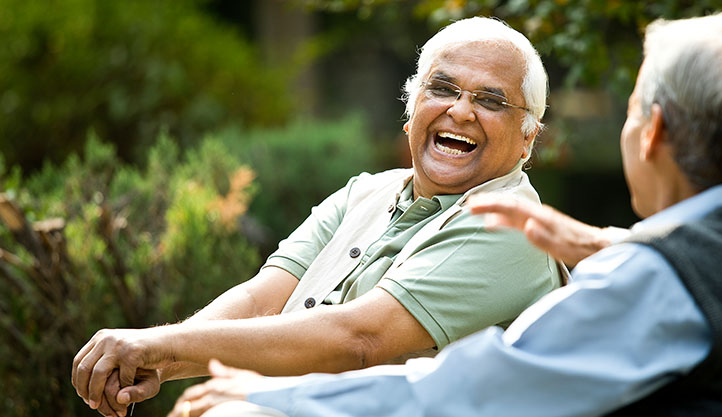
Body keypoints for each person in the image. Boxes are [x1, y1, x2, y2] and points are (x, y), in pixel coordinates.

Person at [167, 11, 722, 417]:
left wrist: (265, 396)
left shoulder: (651, 284)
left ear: (650, 131)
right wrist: (619, 244)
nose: (459, 111)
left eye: (629, 108)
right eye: (442, 89)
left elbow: (464, 391)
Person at [71, 17, 565, 417]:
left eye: (490, 100)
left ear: (528, 137)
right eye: (443, 88)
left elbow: (359, 340)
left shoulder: (512, 224)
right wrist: (165, 359)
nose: (460, 111)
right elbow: (263, 295)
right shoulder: (364, 192)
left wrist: (162, 347)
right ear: (412, 108)